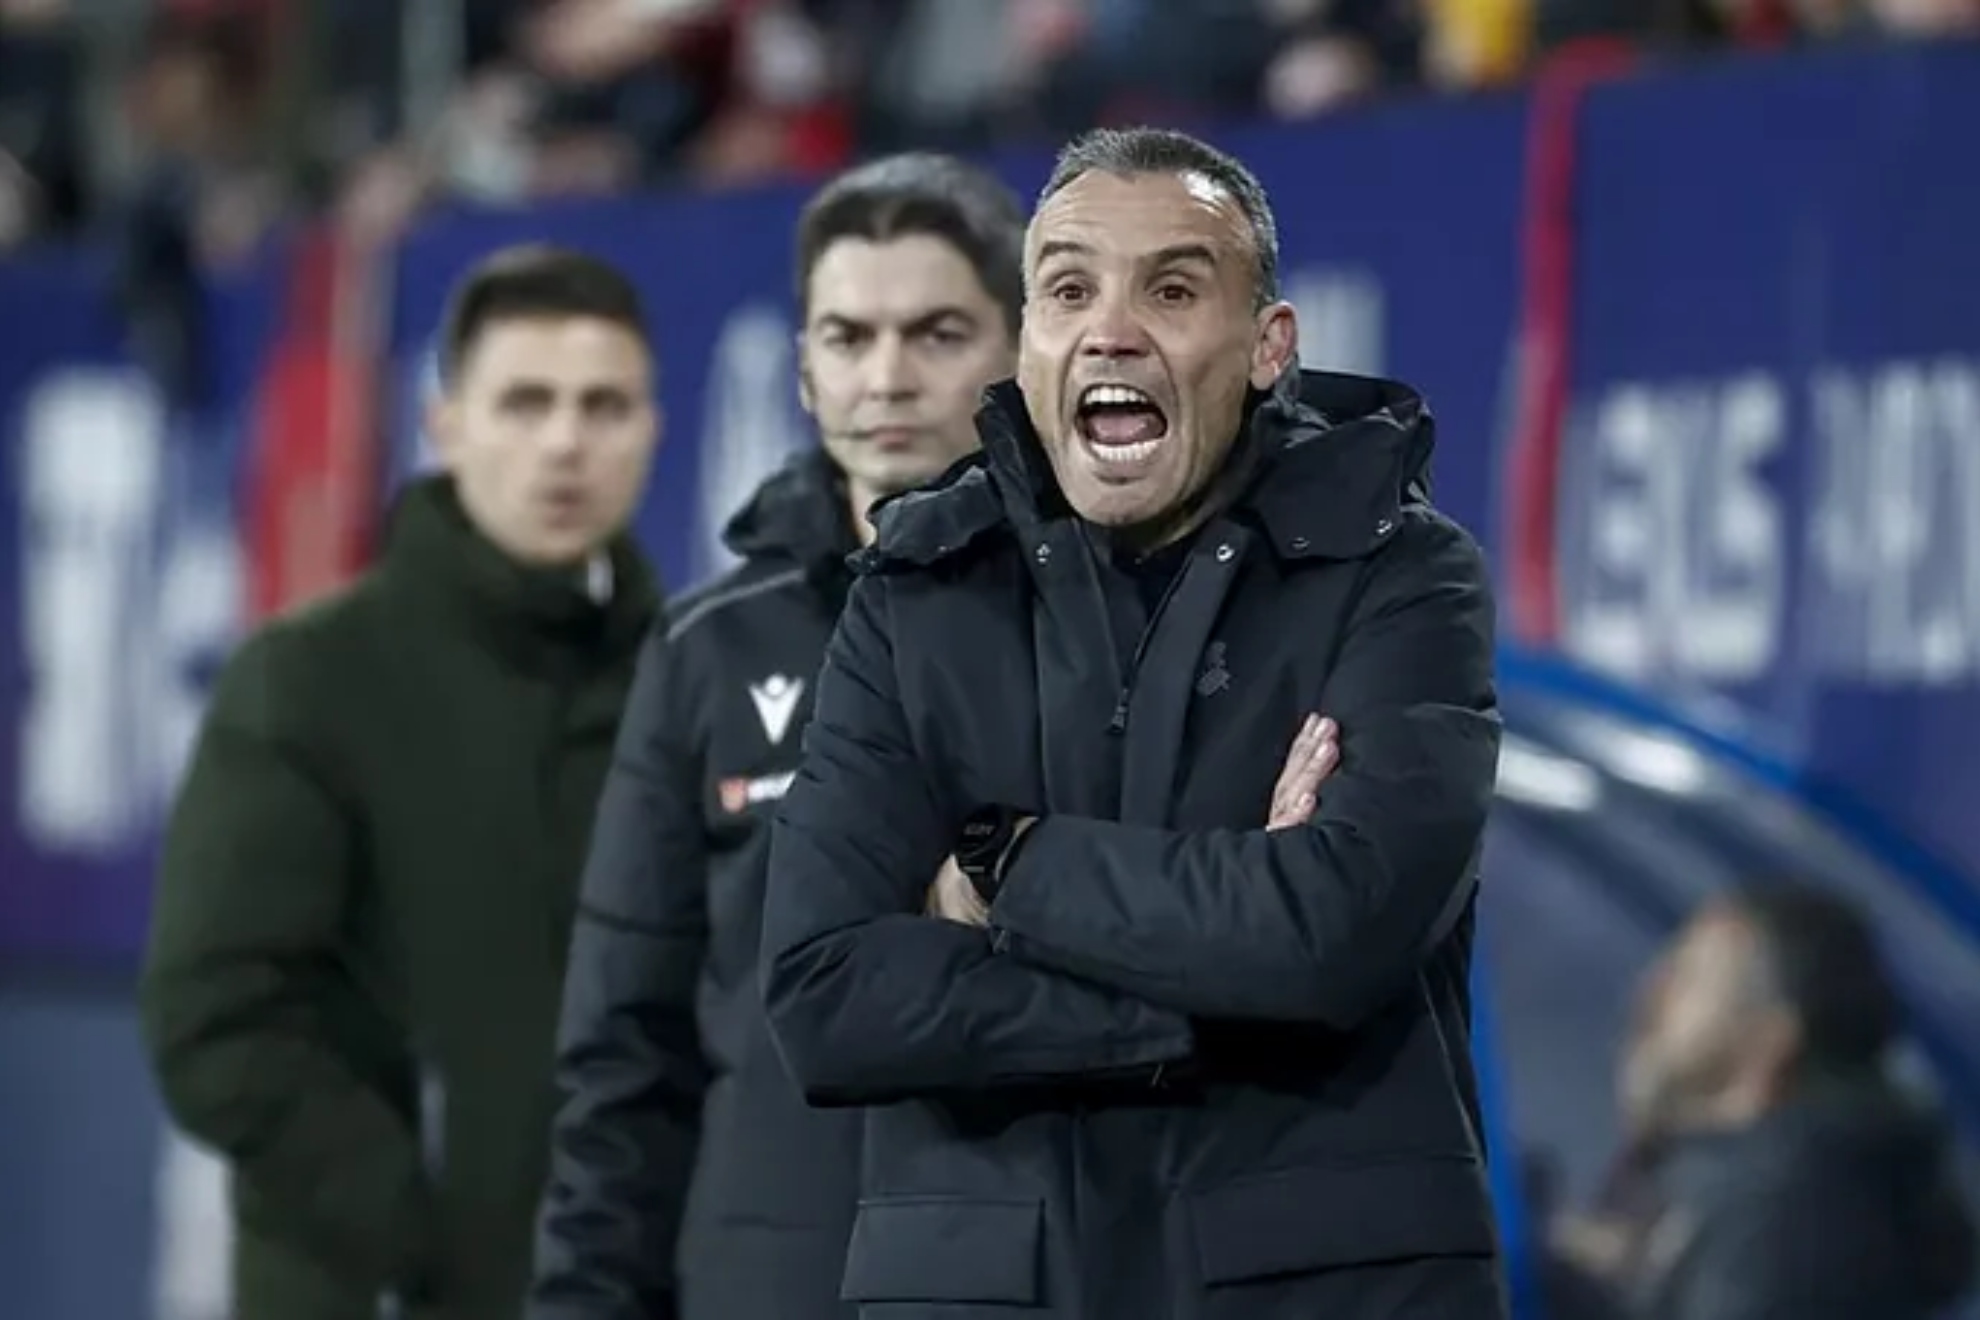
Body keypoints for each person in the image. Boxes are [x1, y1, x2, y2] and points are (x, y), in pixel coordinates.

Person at [758, 124, 1505, 1320]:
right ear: (1030, 342)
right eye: (1068, 289)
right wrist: (1212, 976)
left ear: (1270, 347)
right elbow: (826, 996)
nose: (1112, 328)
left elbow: (1335, 935)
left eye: (1171, 288)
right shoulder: (914, 592)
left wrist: (1006, 868)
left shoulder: (1402, 574)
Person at [527, 153, 1027, 1320]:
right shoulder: (706, 651)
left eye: (938, 332)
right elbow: (624, 1058)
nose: (888, 376)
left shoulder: (1111, 636)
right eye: (848, 337)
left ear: (1022, 351)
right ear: (802, 369)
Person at [140, 246, 664, 1320]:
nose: (565, 442)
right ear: (446, 424)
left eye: (603, 405)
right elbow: (216, 1014)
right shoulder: (311, 676)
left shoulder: (690, 680)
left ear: (651, 429)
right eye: (525, 402)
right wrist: (423, 1228)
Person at [1557, 883, 1977, 1320]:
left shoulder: (1791, 1216)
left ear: (1772, 1039)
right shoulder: (1740, 1192)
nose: (1652, 997)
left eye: (1692, 977)